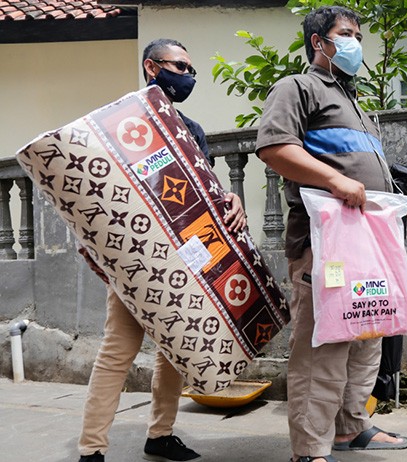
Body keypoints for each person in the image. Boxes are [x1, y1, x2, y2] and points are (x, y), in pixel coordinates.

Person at [77, 38, 246, 462]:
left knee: (175, 352)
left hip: (186, 260)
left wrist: (232, 200)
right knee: (118, 352)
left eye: (191, 69)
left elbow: (206, 189)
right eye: (179, 66)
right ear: (152, 67)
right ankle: (91, 449)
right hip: (136, 263)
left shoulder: (190, 130)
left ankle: (161, 435)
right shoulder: (117, 123)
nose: (187, 76)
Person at [255, 6, 407, 462]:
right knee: (322, 345)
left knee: (368, 334)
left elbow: (359, 166)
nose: (355, 43)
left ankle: (350, 427)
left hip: (366, 244)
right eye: (346, 34)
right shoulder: (297, 87)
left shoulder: (353, 99)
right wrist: (334, 181)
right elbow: (274, 147)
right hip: (323, 245)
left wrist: (393, 196)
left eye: (358, 34)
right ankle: (310, 448)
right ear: (318, 42)